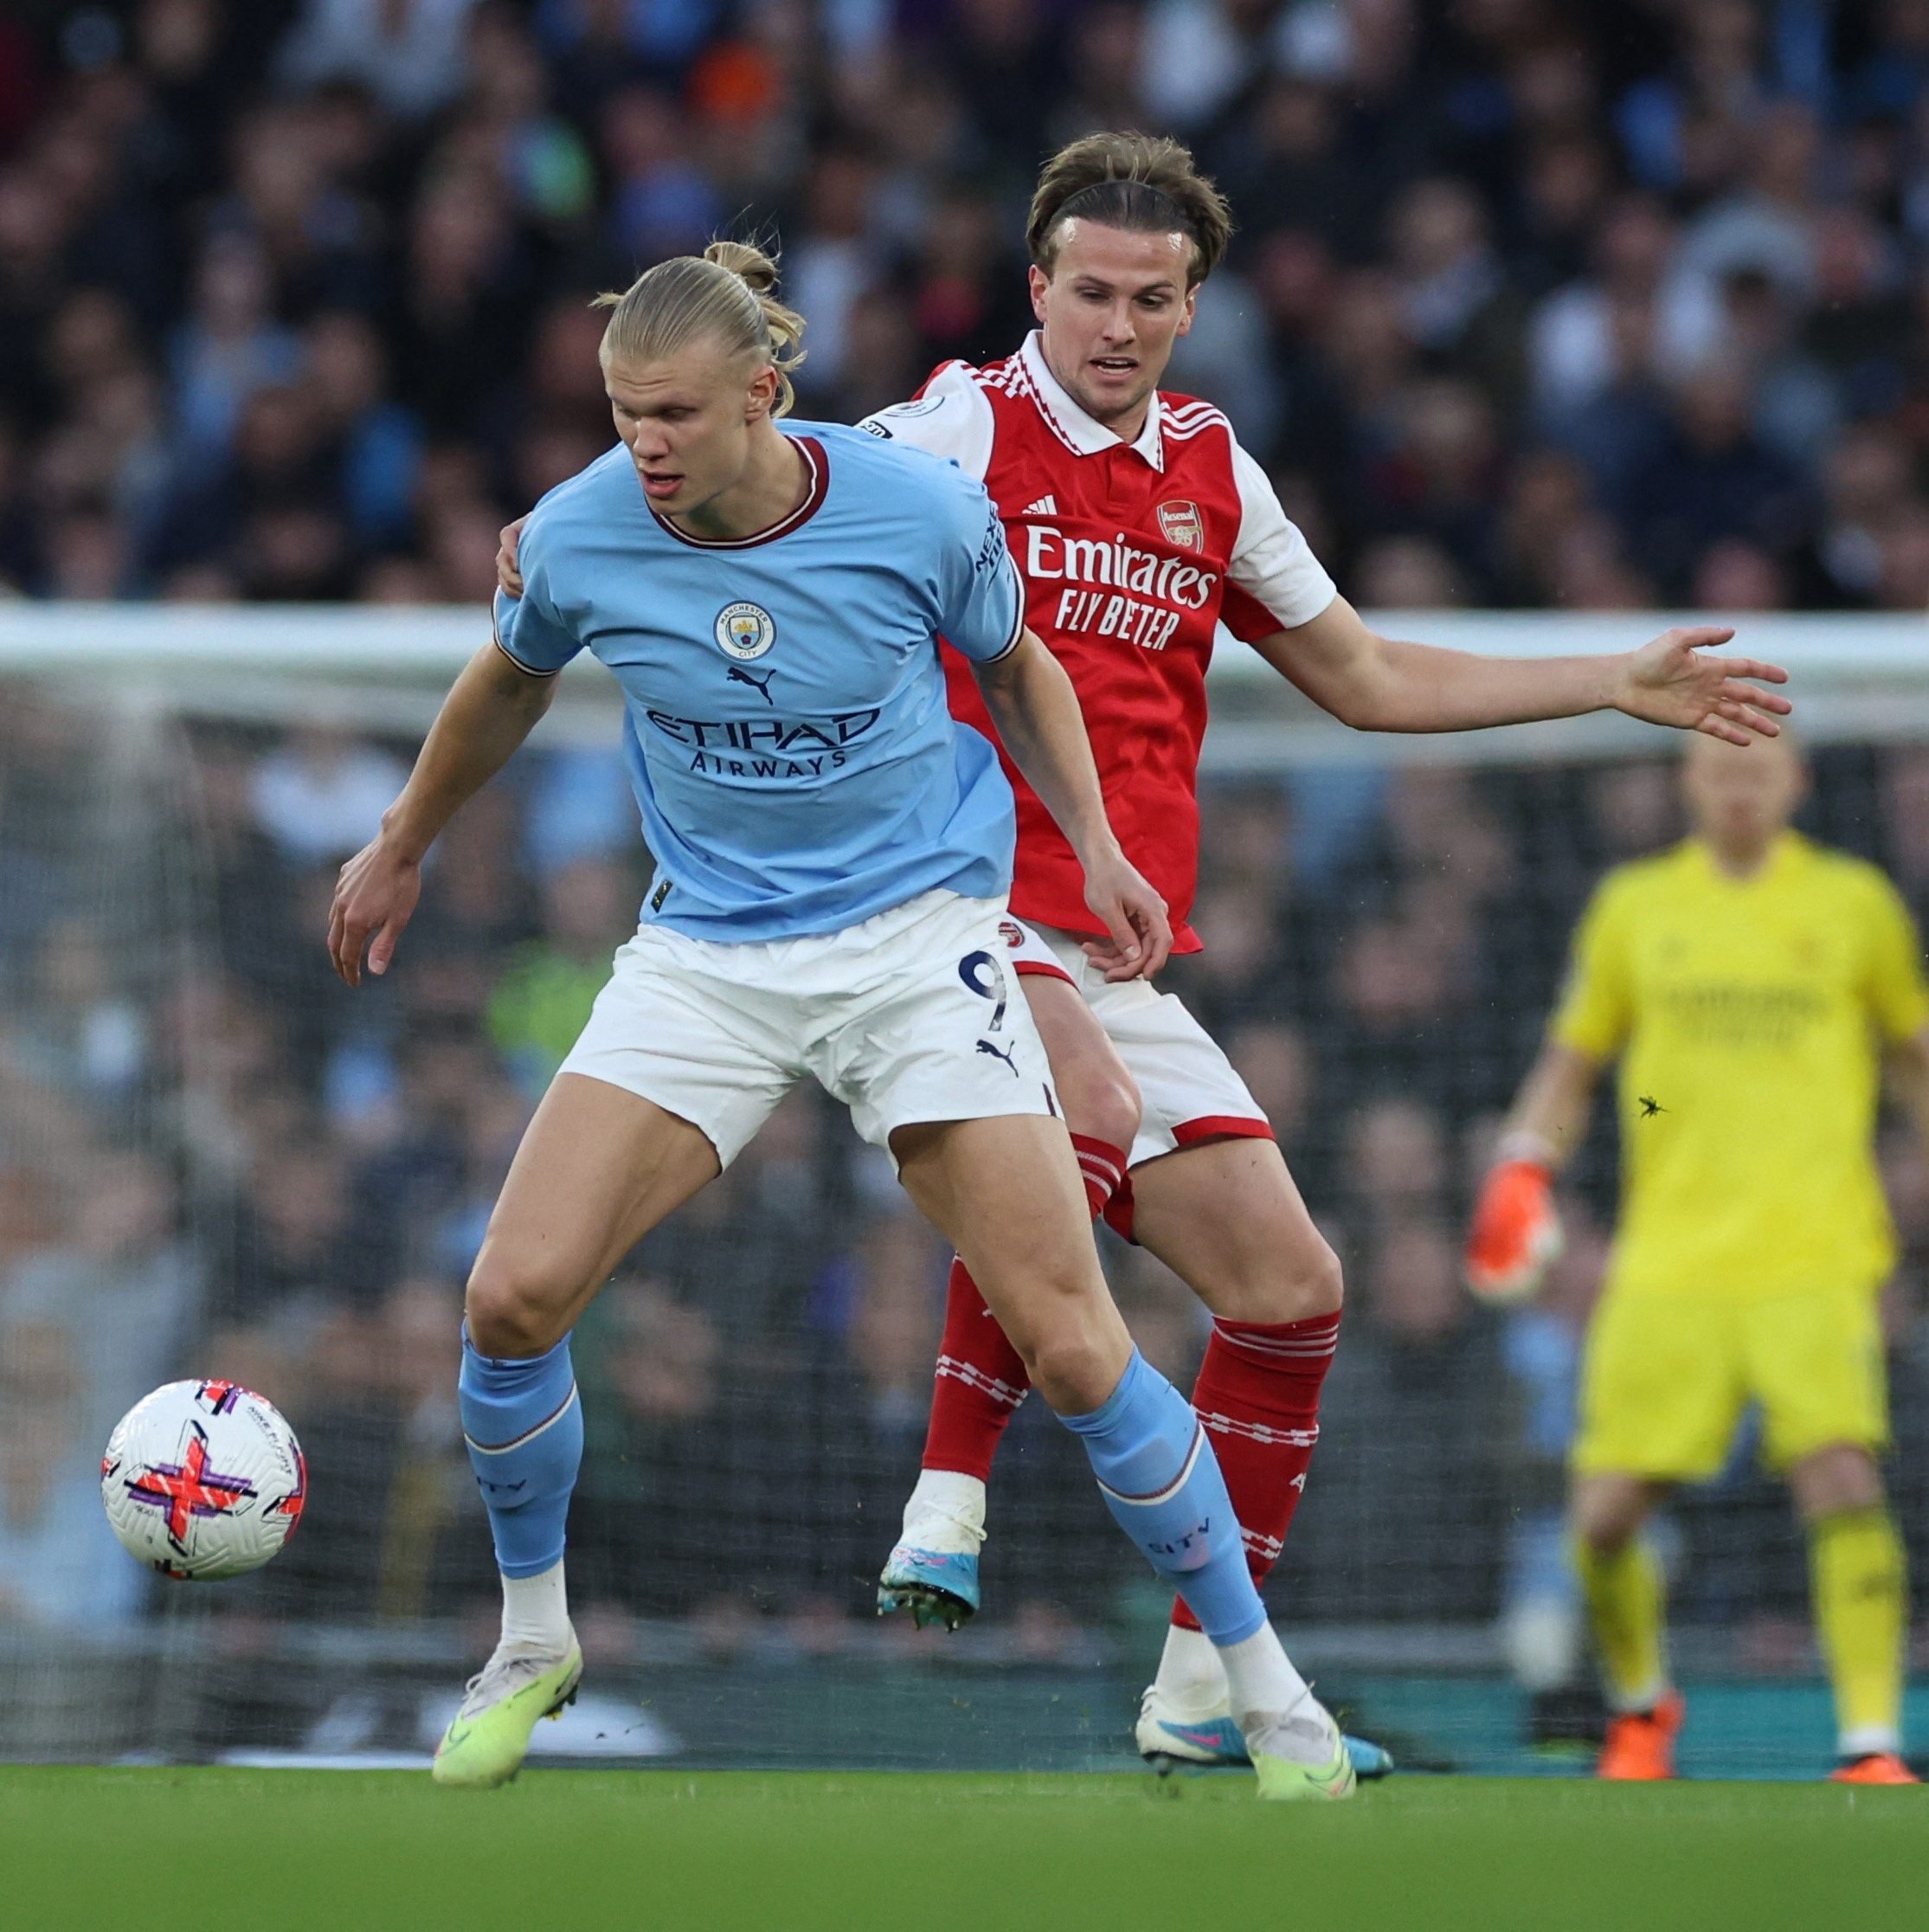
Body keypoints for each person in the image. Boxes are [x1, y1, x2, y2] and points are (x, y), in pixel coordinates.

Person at [498, 133, 1791, 1773]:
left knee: (1289, 1287)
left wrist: (1605, 679)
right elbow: (767, 468)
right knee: (1085, 1107)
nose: (1116, 323)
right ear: (1035, 288)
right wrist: (580, 520)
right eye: (1089, 290)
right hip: (952, 913)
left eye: (1151, 298)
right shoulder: (957, 425)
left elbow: (1366, 677)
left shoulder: (1211, 471)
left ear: (1191, 307)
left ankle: (1196, 1691)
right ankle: (945, 1497)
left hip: (1111, 936)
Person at [331, 241, 1360, 1802]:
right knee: (510, 1298)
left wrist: (1088, 845)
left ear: (762, 393)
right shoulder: (584, 530)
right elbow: (504, 683)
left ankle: (1263, 1691)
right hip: (706, 960)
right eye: (620, 414)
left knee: (1077, 1347)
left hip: (912, 943)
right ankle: (531, 1640)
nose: (646, 447)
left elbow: (1018, 670)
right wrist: (404, 837)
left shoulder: (913, 510)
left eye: (674, 411)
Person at [1466, 731, 1928, 1786]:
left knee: (1842, 1476)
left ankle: (1869, 1742)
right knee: (1605, 1514)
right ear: (1689, 783)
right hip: (1669, 1262)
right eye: (1720, 771)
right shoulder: (1637, 907)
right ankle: (1640, 1707)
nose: (1738, 789)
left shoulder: (1854, 905)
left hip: (1815, 1252)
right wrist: (1522, 1167)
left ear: (1797, 781)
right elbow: (1572, 1063)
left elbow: (1912, 1055)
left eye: (1758, 771)